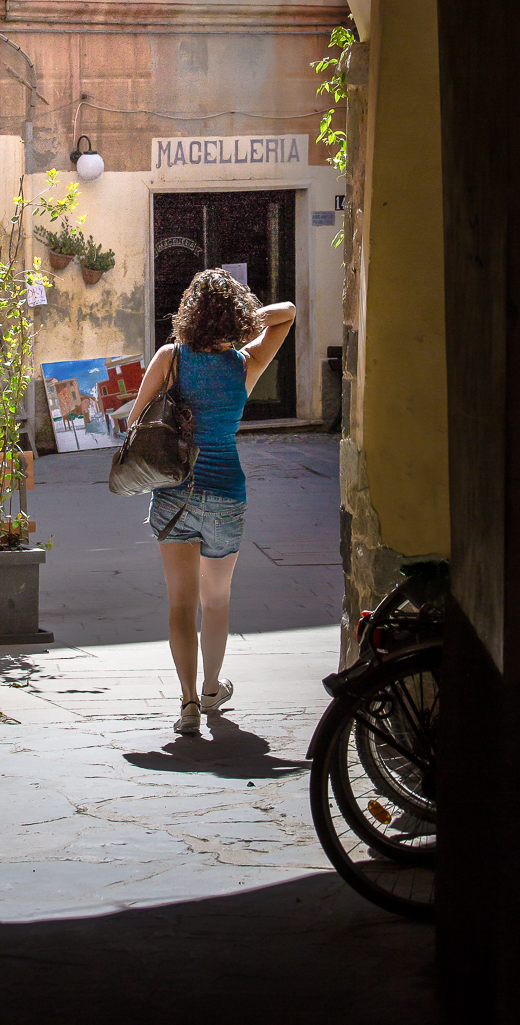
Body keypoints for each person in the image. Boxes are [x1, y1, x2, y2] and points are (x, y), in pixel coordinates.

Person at [126, 269, 296, 735]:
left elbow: (136, 421)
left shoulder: (171, 357)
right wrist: (242, 322)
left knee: (180, 603)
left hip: (174, 494)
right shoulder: (246, 362)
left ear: (189, 313)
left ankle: (185, 704)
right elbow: (288, 313)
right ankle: (212, 688)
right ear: (233, 315)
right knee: (215, 601)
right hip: (225, 491)